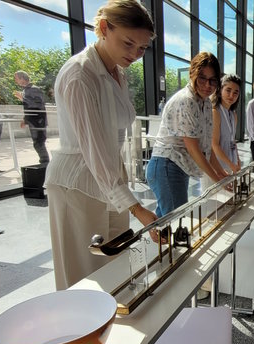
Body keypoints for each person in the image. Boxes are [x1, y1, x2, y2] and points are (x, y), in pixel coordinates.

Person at [45, 0, 160, 290]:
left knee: (115, 267)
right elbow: (93, 150)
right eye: (128, 43)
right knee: (82, 277)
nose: (134, 54)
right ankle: (78, 335)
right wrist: (137, 208)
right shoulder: (79, 75)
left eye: (142, 48)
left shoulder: (116, 72)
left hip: (109, 176)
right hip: (77, 182)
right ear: (104, 29)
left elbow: (106, 149)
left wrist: (129, 202)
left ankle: (107, 331)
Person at [146, 52, 228, 300]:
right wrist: (217, 179)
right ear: (192, 74)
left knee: (164, 227)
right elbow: (192, 147)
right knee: (176, 228)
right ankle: (180, 288)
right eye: (202, 78)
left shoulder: (205, 103)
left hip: (177, 170)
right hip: (167, 166)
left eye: (213, 81)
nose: (207, 85)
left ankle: (161, 279)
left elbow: (207, 148)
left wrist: (223, 175)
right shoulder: (186, 101)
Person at [14, 70, 50, 164]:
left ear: (22, 78)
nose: (15, 81)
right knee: (38, 143)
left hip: (38, 121)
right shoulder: (26, 90)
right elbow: (29, 107)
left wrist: (22, 98)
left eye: (16, 78)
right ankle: (44, 163)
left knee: (39, 143)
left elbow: (37, 105)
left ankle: (45, 164)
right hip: (34, 122)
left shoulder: (34, 89)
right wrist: (25, 119)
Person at [211, 74, 242, 174]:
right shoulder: (215, 112)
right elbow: (214, 145)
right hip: (215, 166)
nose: (231, 95)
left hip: (229, 164)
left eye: (235, 93)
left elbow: (233, 141)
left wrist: (237, 159)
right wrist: (231, 164)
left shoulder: (233, 115)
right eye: (228, 90)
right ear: (220, 90)